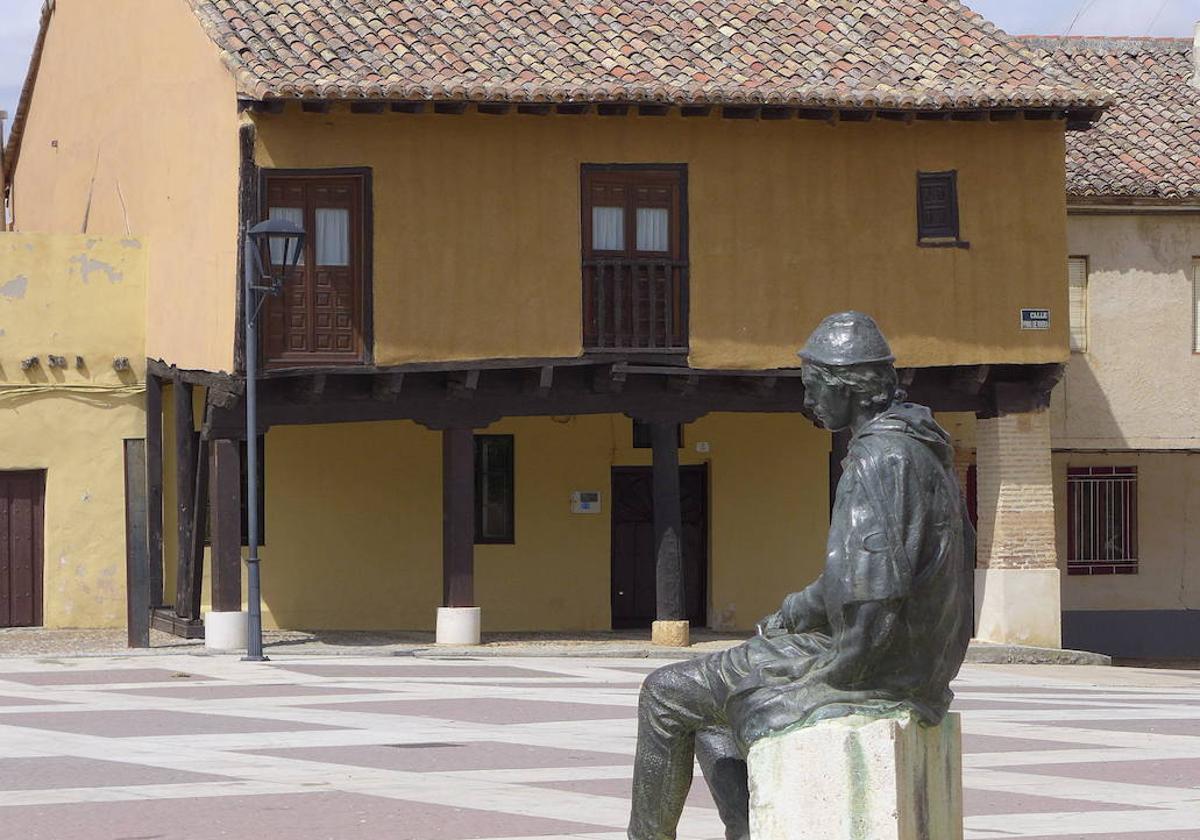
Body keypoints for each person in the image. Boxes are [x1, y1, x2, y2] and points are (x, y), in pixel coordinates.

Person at [627, 311, 973, 840]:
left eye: (814, 388)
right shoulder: (924, 448)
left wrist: (837, 670)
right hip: (922, 660)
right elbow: (868, 574)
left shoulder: (876, 459)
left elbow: (870, 590)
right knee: (717, 711)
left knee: (666, 692)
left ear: (849, 389)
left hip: (875, 666)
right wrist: (800, 608)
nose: (808, 402)